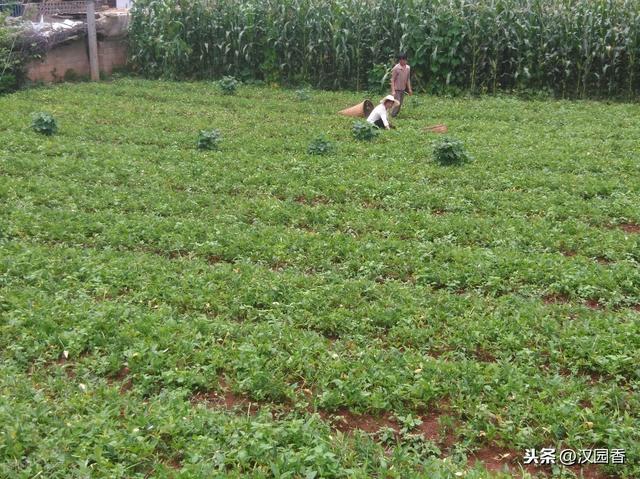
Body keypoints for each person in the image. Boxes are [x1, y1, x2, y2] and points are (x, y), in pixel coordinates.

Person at [390, 52, 413, 117]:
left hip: (402, 89)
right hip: (396, 89)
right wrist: (393, 91)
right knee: (397, 103)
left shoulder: (408, 68)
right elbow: (392, 80)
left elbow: (408, 79)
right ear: (399, 60)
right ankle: (392, 115)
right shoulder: (396, 68)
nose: (402, 61)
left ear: (406, 60)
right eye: (400, 60)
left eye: (404, 59)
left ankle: (395, 115)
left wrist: (409, 89)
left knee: (400, 103)